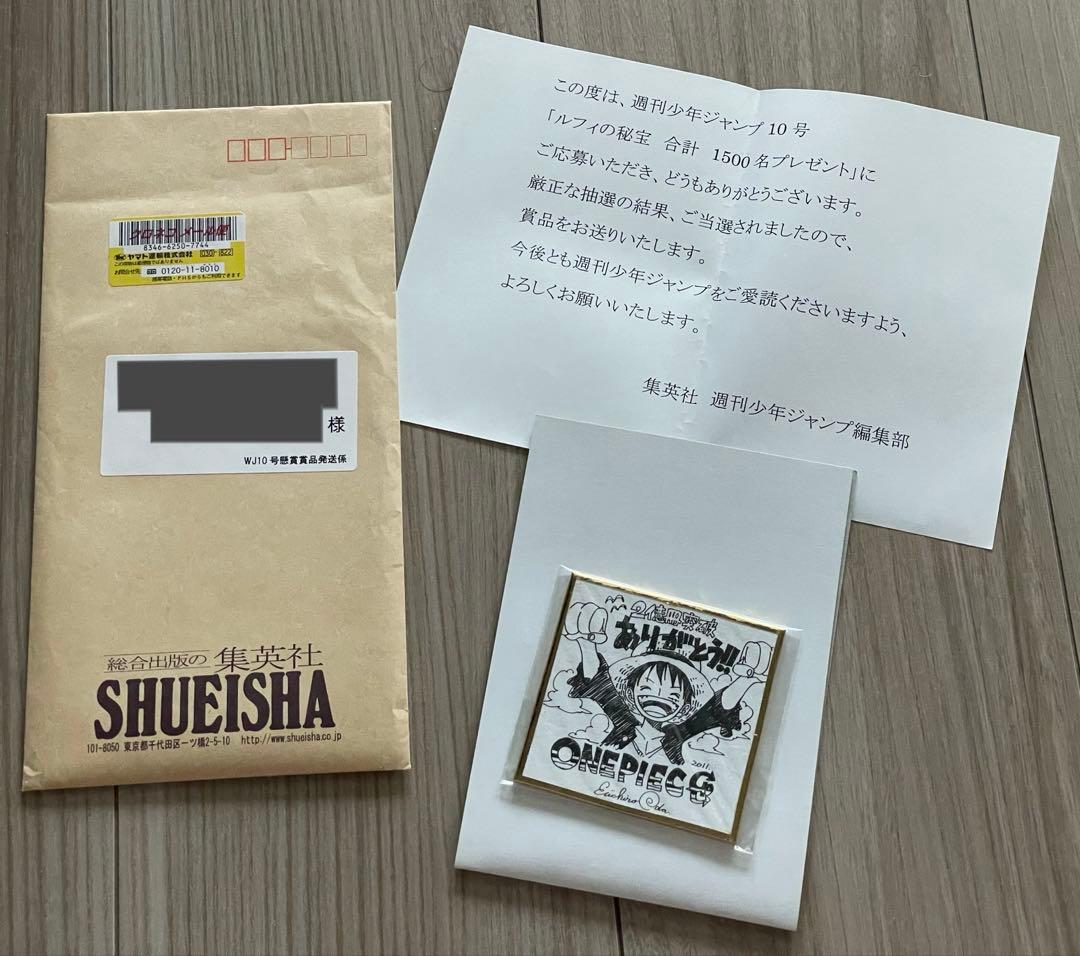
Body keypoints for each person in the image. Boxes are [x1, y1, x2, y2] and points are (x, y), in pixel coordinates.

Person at [563, 601, 772, 765]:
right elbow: (598, 681)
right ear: (630, 691)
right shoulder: (624, 717)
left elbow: (718, 709)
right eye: (646, 688)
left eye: (673, 695)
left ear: (687, 705)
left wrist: (746, 681)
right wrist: (586, 644)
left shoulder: (682, 730)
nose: (657, 698)